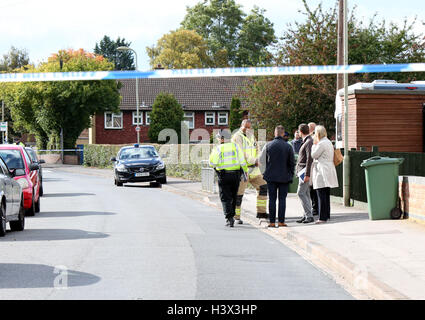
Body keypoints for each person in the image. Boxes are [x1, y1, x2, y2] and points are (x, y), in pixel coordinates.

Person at [209, 130, 248, 227]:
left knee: (225, 197)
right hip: (236, 175)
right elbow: (242, 161)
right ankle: (233, 214)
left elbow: (212, 163)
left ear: (222, 139)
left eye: (218, 137)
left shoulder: (218, 149)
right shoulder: (235, 146)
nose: (218, 139)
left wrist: (216, 165)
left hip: (224, 175)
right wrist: (245, 173)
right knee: (234, 196)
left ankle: (229, 218)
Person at [232, 119, 268, 223]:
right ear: (241, 126)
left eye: (249, 127)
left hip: (254, 169)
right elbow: (241, 153)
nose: (248, 129)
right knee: (239, 194)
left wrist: (258, 159)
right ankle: (236, 216)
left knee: (263, 187)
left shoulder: (252, 136)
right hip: (243, 170)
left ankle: (261, 213)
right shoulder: (236, 137)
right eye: (246, 127)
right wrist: (254, 160)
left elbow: (257, 149)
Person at [260, 126, 295, 228]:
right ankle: (281, 221)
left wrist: (264, 173)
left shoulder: (268, 145)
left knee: (272, 199)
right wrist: (290, 174)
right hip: (284, 176)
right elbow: (292, 163)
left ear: (275, 133)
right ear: (283, 134)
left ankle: (271, 222)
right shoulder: (288, 146)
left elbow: (261, 161)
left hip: (271, 176)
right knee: (282, 199)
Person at [311, 125, 339, 223]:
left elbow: (313, 155)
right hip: (328, 168)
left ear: (318, 133)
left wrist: (314, 145)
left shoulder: (320, 144)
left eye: (315, 133)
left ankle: (322, 217)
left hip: (321, 170)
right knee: (326, 193)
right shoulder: (328, 142)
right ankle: (326, 214)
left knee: (320, 193)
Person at [296, 123, 315, 224]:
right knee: (306, 193)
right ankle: (306, 214)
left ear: (301, 132)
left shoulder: (308, 142)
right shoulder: (307, 141)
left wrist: (307, 174)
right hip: (302, 171)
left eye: (298, 131)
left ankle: (309, 215)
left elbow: (309, 159)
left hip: (304, 171)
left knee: (301, 193)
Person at [308, 122, 319, 216]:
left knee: (313, 188)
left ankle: (315, 207)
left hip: (314, 167)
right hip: (315, 167)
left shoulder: (312, 139)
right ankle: (316, 206)